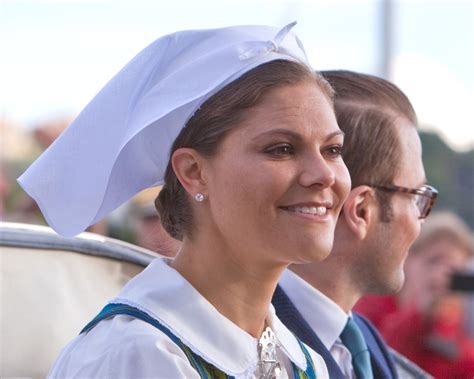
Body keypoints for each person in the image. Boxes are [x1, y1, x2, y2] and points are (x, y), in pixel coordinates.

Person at [18, 23, 352, 378]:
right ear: (193, 171)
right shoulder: (136, 356)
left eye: (332, 149)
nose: (325, 174)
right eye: (281, 149)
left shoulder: (301, 361)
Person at [272, 70, 438, 378]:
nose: (419, 221)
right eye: (416, 196)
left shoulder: (362, 336)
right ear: (361, 210)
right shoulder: (247, 337)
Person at [357, 211, 474, 378]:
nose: (441, 275)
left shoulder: (456, 323)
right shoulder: (372, 301)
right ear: (407, 259)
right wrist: (421, 310)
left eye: (453, 270)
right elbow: (377, 356)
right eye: (434, 260)